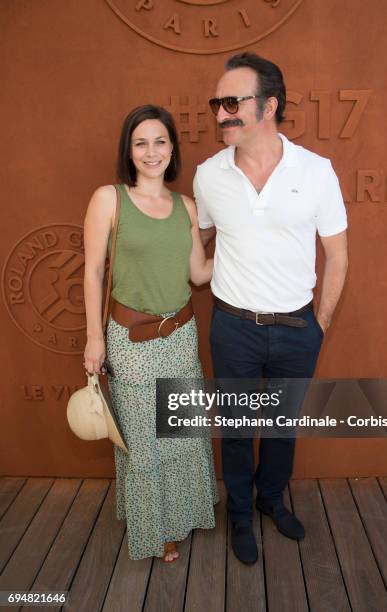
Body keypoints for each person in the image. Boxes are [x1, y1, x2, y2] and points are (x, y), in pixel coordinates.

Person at [194, 53, 348, 564]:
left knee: (283, 428)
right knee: (237, 431)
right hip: (233, 326)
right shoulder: (208, 175)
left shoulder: (317, 171)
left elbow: (339, 255)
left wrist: (318, 326)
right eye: (218, 103)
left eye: (232, 102)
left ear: (269, 106)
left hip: (297, 328)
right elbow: (203, 241)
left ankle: (270, 501)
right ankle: (240, 515)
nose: (221, 113)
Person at [83, 105, 218, 563]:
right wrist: (94, 339)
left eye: (160, 141)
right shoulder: (109, 199)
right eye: (141, 142)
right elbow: (92, 272)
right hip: (132, 341)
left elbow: (199, 274)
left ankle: (184, 514)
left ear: (172, 148)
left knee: (181, 437)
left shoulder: (186, 207)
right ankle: (153, 528)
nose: (151, 151)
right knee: (144, 443)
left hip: (181, 336)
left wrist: (250, 251)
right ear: (129, 150)